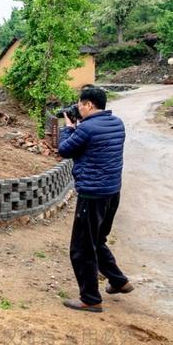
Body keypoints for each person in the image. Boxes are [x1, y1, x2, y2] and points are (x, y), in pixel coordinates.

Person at [58, 86, 134, 312]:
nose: (78, 107)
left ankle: (90, 299)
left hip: (92, 195)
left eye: (80, 104)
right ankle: (119, 281)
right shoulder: (117, 123)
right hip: (112, 193)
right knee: (97, 239)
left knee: (82, 247)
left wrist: (68, 128)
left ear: (89, 105)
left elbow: (64, 150)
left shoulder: (87, 128)